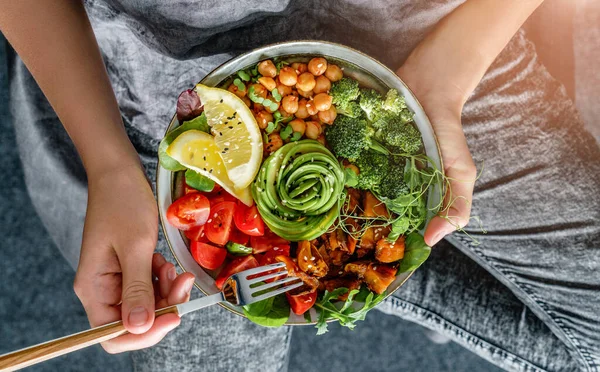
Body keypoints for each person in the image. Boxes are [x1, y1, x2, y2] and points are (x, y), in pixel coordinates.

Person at [1, 0, 599, 371]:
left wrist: (445, 77)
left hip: (440, 43)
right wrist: (108, 163)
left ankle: (345, 285)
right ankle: (342, 285)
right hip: (182, 111)